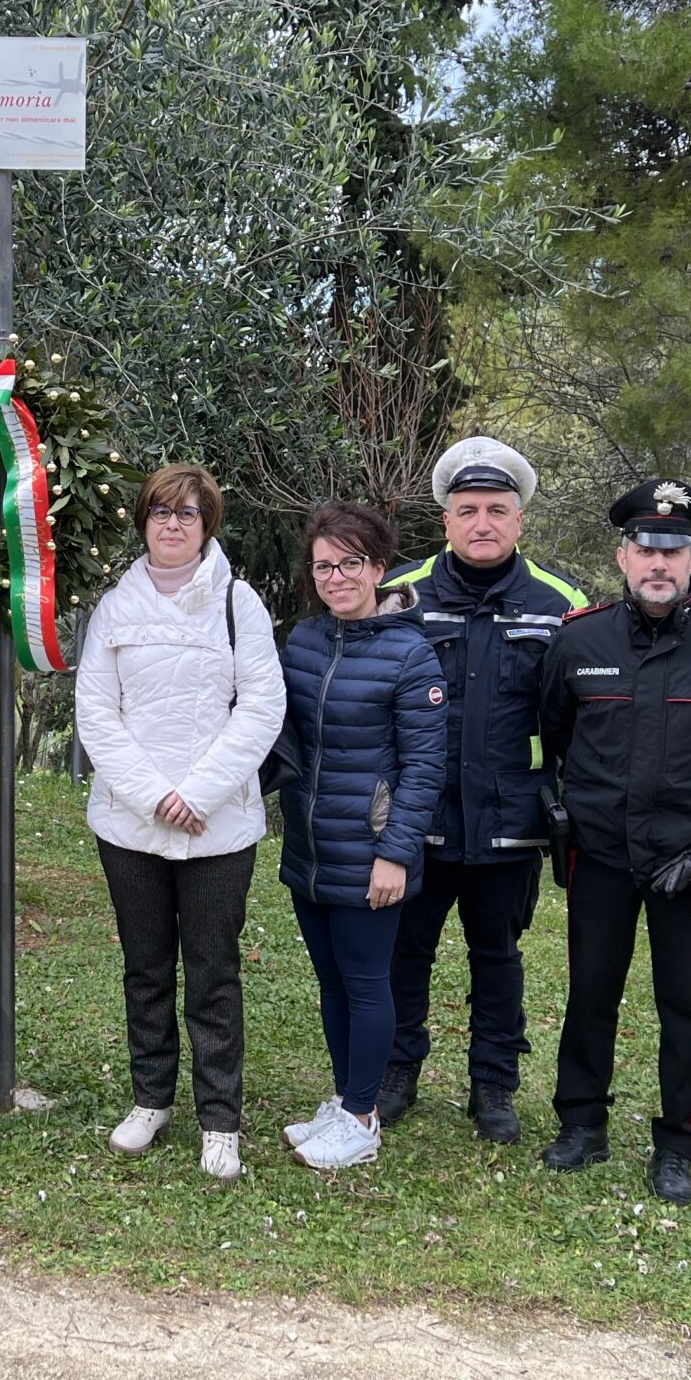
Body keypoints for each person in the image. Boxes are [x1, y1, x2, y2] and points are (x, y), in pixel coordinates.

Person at [537, 480, 691, 1204]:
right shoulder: (578, 640)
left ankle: (679, 1143)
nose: (658, 562)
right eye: (645, 548)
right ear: (622, 556)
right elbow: (557, 735)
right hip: (601, 855)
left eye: (672, 550)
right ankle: (581, 1125)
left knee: (685, 1006)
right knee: (591, 994)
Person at [75, 463, 286, 1182]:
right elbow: (97, 715)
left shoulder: (239, 605)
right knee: (145, 968)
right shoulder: (114, 608)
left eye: (188, 514)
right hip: (129, 826)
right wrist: (153, 797)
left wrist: (195, 793)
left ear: (207, 525)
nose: (173, 524)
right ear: (143, 522)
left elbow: (261, 707)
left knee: (214, 973)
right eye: (161, 512)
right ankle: (150, 1098)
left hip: (217, 827)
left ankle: (219, 1118)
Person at [379, 437, 583, 1142]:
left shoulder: (562, 605)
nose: (483, 523)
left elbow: (577, 722)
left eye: (498, 510)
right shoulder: (399, 594)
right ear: (446, 522)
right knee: (406, 950)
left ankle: (493, 1084)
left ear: (520, 520)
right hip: (419, 816)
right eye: (467, 510)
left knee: (497, 957)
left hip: (509, 819)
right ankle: (398, 1069)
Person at [272, 502, 447, 1171]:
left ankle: (364, 1117)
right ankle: (344, 1098)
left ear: (378, 566)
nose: (336, 576)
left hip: (372, 853)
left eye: (350, 562)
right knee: (333, 982)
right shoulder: (306, 640)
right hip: (311, 849)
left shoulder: (411, 652)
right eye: (324, 565)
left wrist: (396, 854)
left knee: (369, 983)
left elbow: (425, 766)